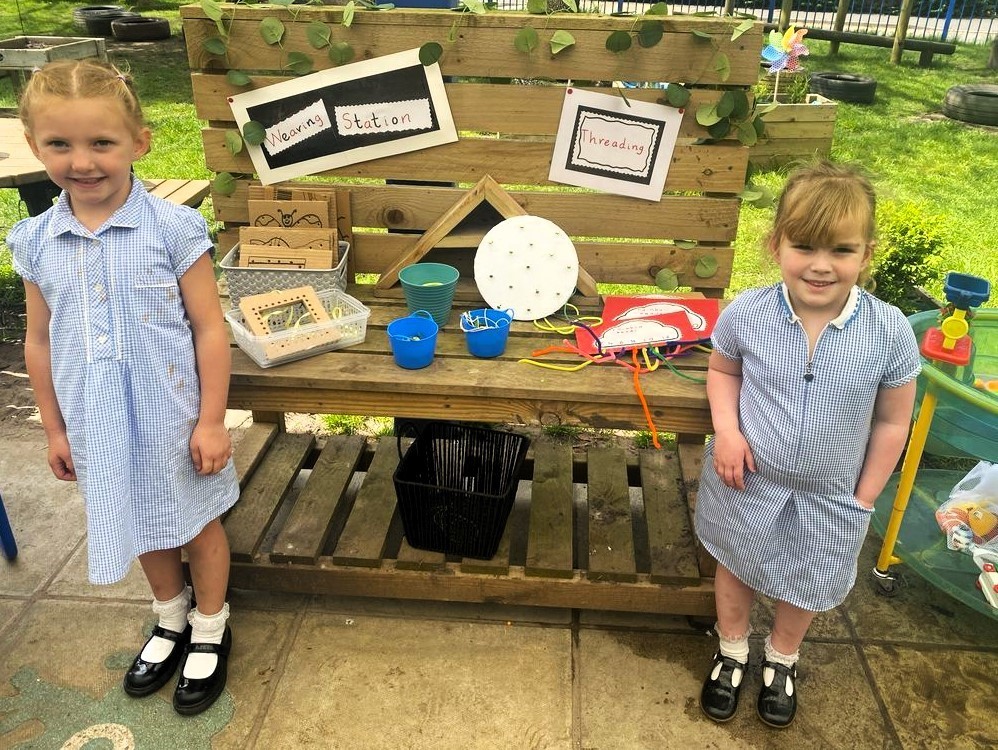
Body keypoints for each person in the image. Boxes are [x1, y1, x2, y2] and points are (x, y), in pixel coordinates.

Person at [7, 59, 239, 717]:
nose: (82, 161)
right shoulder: (36, 241)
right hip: (95, 419)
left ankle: (212, 626)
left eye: (100, 142)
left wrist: (213, 420)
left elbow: (209, 329)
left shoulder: (174, 229)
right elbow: (40, 342)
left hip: (174, 415)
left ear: (139, 142)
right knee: (139, 517)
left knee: (196, 522)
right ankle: (170, 616)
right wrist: (54, 428)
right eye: (60, 144)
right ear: (36, 147)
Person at [694, 161, 921, 728]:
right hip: (747, 482)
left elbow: (894, 421)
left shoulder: (889, 331)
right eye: (805, 246)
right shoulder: (748, 313)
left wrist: (864, 495)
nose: (821, 266)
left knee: (807, 576)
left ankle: (782, 658)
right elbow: (722, 372)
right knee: (736, 564)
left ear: (866, 254)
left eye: (841, 250)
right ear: (776, 246)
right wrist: (727, 430)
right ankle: (732, 649)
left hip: (831, 494)